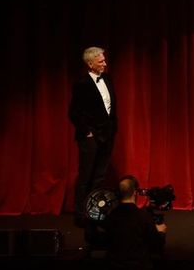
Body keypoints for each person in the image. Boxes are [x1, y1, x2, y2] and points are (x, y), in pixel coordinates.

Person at [68, 46, 117, 225]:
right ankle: (80, 214)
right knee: (86, 176)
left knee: (99, 176)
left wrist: (113, 129)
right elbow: (74, 112)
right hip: (90, 137)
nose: (105, 63)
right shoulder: (82, 84)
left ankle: (95, 211)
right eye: (101, 61)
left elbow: (111, 108)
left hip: (107, 135)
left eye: (104, 60)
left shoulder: (108, 79)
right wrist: (86, 132)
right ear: (90, 63)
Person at [101, 175, 167, 269]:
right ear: (135, 193)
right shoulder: (143, 216)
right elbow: (156, 244)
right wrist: (160, 232)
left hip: (114, 265)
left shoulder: (110, 216)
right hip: (138, 265)